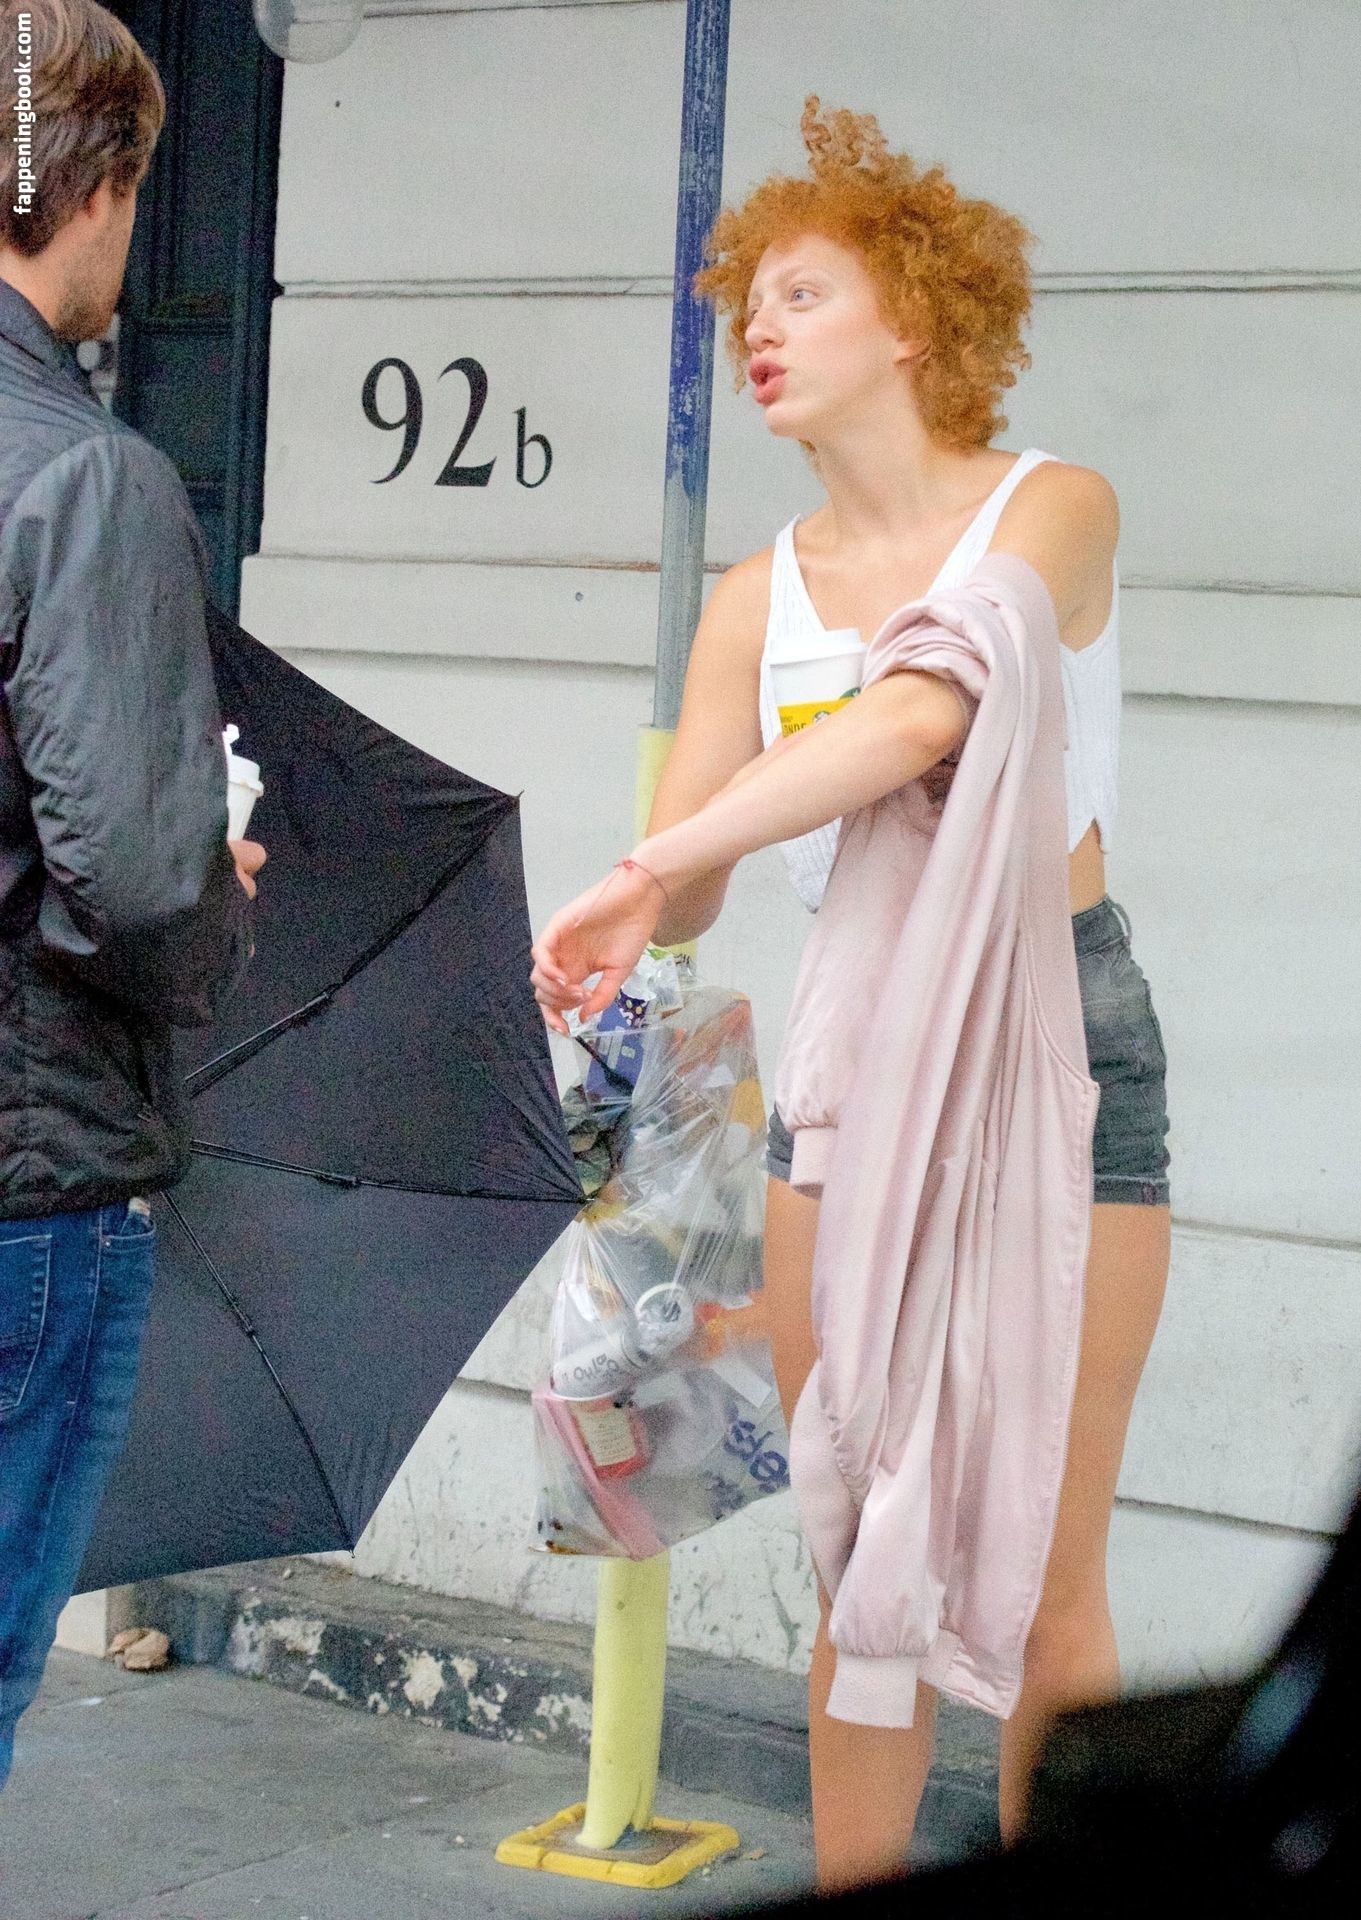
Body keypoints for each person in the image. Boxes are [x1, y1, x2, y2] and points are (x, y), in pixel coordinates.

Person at [531, 99, 1171, 1888]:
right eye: (750, 306)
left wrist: (659, 860)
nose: (761, 328)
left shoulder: (1052, 509)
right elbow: (694, 880)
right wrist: (652, 888)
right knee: (858, 1547)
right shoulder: (756, 598)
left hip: (1057, 1028)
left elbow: (922, 714)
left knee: (1048, 1571)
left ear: (914, 322)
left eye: (802, 294)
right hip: (851, 1049)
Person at [0, 0, 261, 1788]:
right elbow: (142, 890)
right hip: (29, 1188)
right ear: (93, 186)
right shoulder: (86, 473)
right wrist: (217, 885)